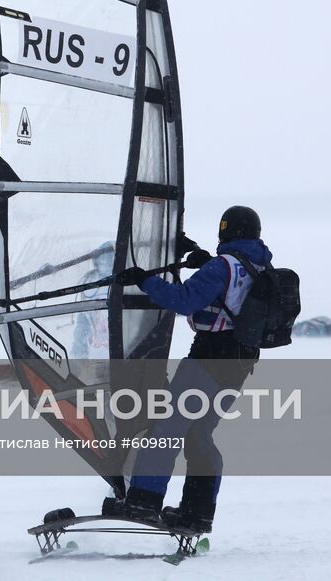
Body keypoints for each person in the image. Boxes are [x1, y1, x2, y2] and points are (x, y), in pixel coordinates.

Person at [110, 205, 272, 533]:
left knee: (166, 430)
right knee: (200, 434)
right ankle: (198, 512)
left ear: (225, 233)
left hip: (208, 358)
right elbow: (229, 287)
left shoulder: (222, 266)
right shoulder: (261, 265)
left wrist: (144, 280)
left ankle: (142, 502)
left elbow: (184, 301)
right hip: (239, 364)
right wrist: (201, 259)